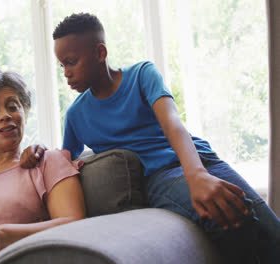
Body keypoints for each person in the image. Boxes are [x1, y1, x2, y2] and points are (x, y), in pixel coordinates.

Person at [21, 13, 280, 263]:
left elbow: (172, 123)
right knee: (231, 218)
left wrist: (198, 174)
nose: (65, 72)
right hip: (159, 176)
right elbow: (65, 161)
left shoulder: (142, 74)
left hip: (200, 159)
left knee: (271, 229)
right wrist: (40, 148)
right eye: (61, 65)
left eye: (71, 61)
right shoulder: (76, 114)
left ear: (100, 53)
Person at [0, 68, 86, 255]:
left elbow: (74, 222)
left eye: (12, 107)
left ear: (25, 114)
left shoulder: (46, 161)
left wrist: (2, 235)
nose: (5, 115)